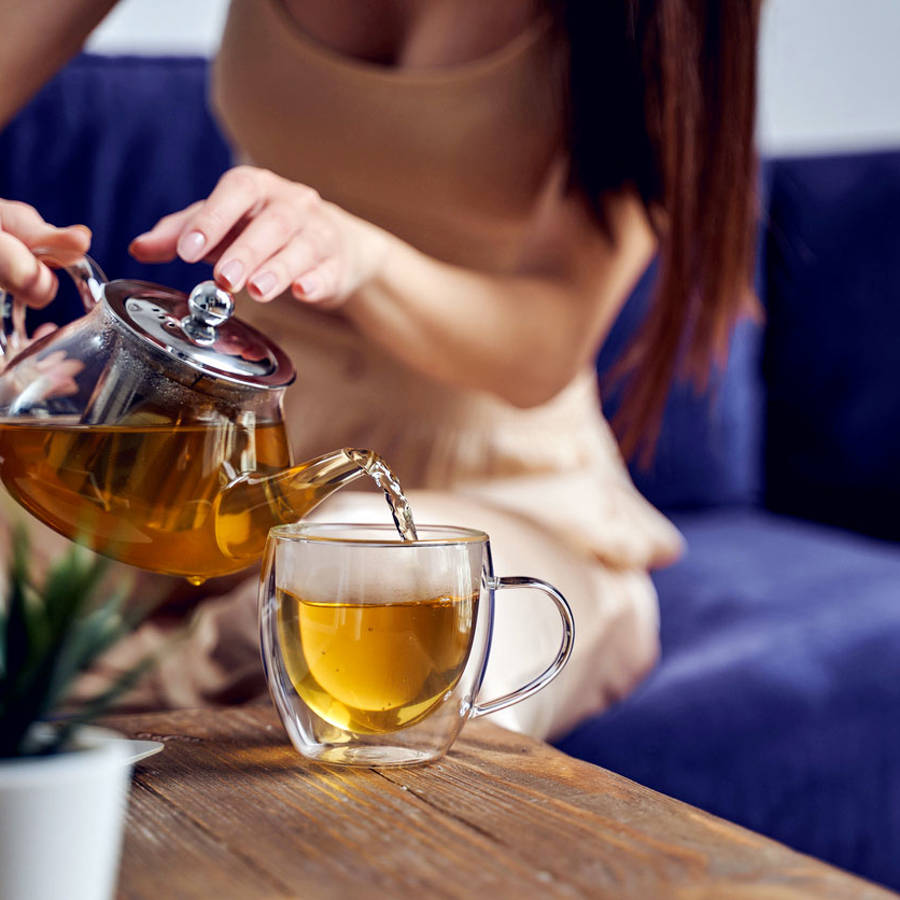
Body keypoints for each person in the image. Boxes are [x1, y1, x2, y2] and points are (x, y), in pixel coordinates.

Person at [0, 0, 761, 738]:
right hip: (200, 450)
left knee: (375, 639)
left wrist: (360, 259)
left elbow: (546, 350)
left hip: (494, 483)